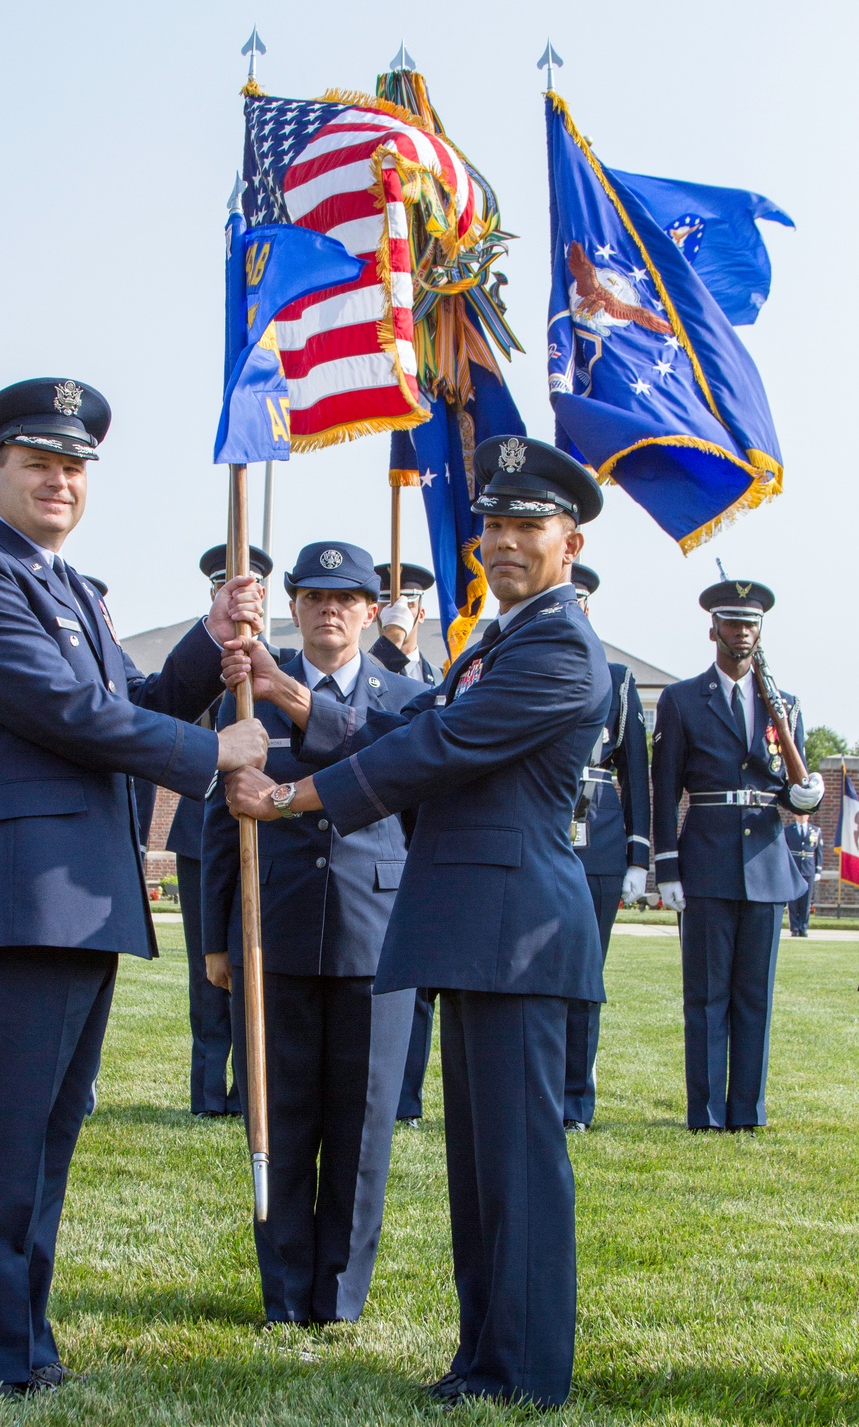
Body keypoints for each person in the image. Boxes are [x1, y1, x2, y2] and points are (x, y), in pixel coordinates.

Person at [225, 436, 610, 1409]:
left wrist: (294, 797)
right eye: (494, 524)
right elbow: (401, 727)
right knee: (480, 1172)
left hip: (516, 928)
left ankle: (522, 1369)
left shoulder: (559, 643)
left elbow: (439, 744)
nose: (506, 541)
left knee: (517, 1168)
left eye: (529, 526)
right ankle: (482, 1355)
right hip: (474, 925)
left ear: (569, 540)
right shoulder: (498, 638)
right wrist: (293, 705)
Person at [0, 377, 266, 1397]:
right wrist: (212, 751)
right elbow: (66, 710)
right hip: (13, 896)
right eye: (39, 463)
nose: (60, 480)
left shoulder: (75, 587)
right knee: (3, 1135)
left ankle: (22, 1338)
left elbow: (132, 697)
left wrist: (209, 639)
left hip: (78, 897)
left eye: (75, 467)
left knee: (47, 1134)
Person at [204, 541, 422, 1325]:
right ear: (292, 607)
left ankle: (339, 1297)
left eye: (348, 597)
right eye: (315, 596)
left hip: (375, 931)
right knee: (282, 1114)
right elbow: (216, 815)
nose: (331, 609)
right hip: (276, 929)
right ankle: (286, 1294)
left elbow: (414, 797)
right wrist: (217, 939)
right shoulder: (245, 697)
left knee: (363, 1124)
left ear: (371, 611)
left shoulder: (407, 694)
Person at [651, 578, 823, 1133]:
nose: (741, 631)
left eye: (750, 623)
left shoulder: (785, 704)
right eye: (732, 621)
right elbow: (665, 788)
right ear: (713, 629)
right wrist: (667, 867)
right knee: (705, 996)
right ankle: (704, 1112)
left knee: (755, 996)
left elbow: (789, 784)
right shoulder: (681, 700)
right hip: (705, 858)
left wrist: (804, 795)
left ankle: (747, 1112)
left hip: (768, 861)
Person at [165, 541, 277, 1118]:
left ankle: (255, 1088)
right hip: (202, 828)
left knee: (261, 963)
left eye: (250, 586)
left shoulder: (275, 664)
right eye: (226, 586)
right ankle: (209, 1094)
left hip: (267, 824)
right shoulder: (201, 659)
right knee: (208, 969)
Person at [563, 564, 651, 1131]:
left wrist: (639, 856)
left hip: (598, 843)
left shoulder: (616, 680)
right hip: (539, 832)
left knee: (585, 978)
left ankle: (575, 1101)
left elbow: (637, 773)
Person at [371, 561, 443, 1125]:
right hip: (383, 838)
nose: (407, 610)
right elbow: (361, 713)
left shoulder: (446, 670)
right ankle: (393, 1098)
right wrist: (389, 642)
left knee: (424, 980)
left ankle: (411, 1097)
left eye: (413, 601)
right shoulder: (375, 664)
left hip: (432, 839)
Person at [371, 561, 443, 686]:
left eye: (408, 603)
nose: (397, 611)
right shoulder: (358, 673)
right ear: (373, 613)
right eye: (387, 602)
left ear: (421, 615)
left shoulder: (442, 679)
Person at [785, 813, 823, 936]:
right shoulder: (788, 830)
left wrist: (818, 869)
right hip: (794, 868)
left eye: (804, 814)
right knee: (793, 900)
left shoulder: (815, 831)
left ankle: (803, 927)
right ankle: (794, 927)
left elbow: (819, 852)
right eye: (799, 814)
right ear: (795, 815)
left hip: (808, 868)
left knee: (806, 901)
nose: (802, 817)